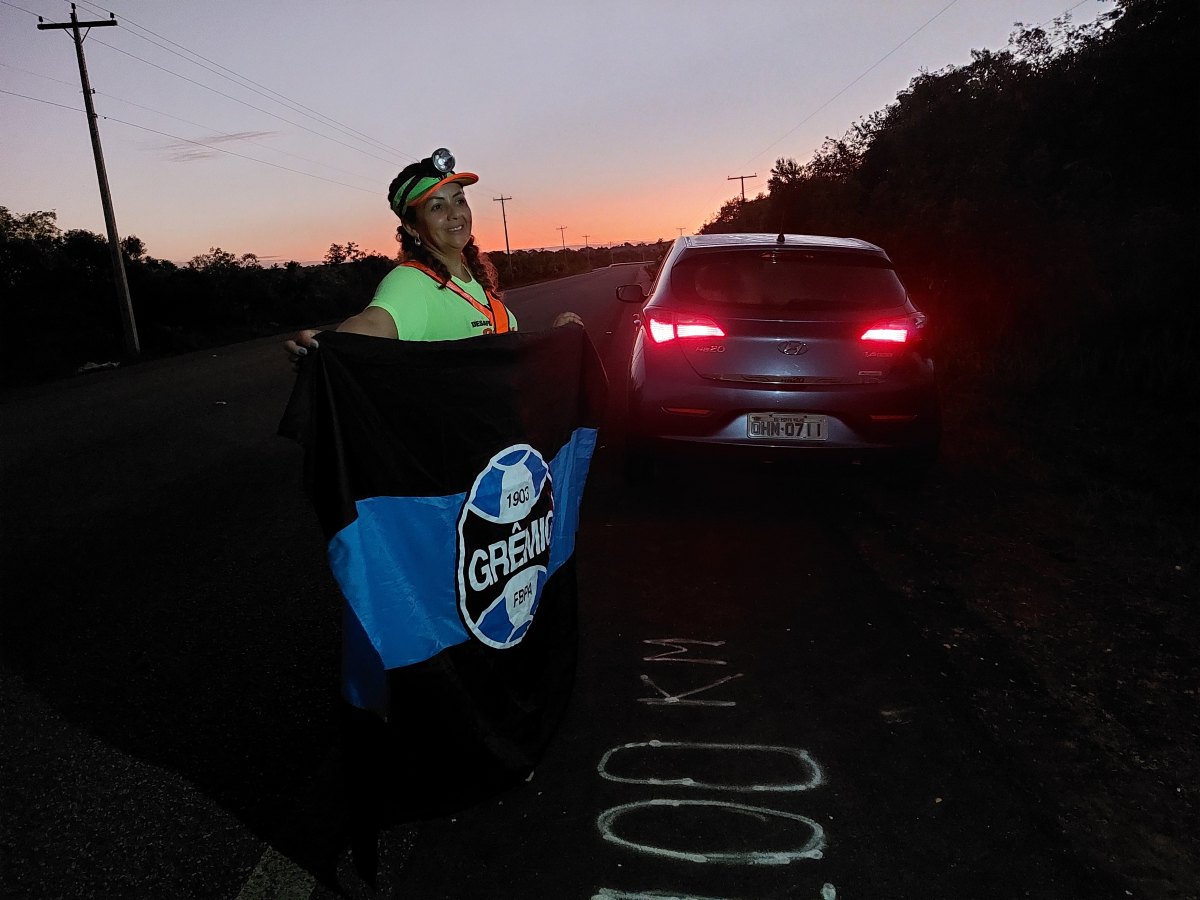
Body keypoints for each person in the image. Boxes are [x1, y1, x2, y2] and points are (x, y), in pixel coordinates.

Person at [284, 148, 581, 364]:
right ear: (412, 226)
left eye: (459, 201)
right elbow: (371, 326)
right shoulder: (410, 283)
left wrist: (553, 339)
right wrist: (324, 347)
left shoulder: (475, 277)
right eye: (437, 207)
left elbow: (502, 360)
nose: (455, 215)